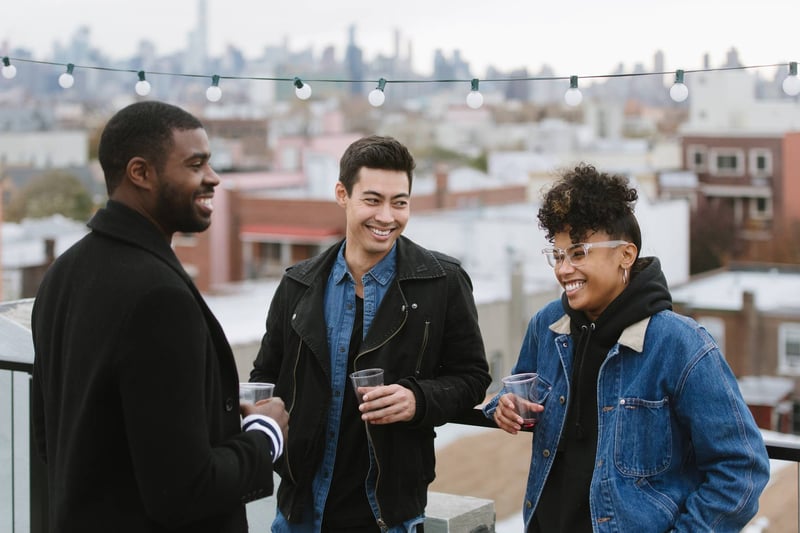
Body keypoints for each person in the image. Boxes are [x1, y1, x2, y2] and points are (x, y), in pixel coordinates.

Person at [31, 100, 289, 532]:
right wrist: (265, 437)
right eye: (195, 164)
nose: (213, 178)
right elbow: (184, 490)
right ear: (140, 173)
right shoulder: (159, 297)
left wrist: (212, 420)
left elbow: (52, 438)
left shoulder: (62, 274)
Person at [484, 163, 770, 532]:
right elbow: (516, 395)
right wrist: (503, 407)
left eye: (579, 252)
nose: (563, 269)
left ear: (626, 254)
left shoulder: (680, 344)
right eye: (557, 255)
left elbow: (742, 470)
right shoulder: (548, 325)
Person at [250, 135, 491, 533]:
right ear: (342, 194)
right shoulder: (299, 283)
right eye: (373, 200)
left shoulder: (441, 281)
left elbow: (473, 378)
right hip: (300, 511)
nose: (387, 216)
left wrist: (418, 398)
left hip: (388, 516)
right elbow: (266, 378)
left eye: (400, 202)